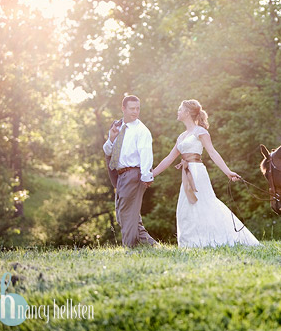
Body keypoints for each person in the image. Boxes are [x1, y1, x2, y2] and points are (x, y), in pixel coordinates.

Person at [153, 99, 260, 247]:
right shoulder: (182, 136)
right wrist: (151, 174)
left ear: (187, 112)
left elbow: (212, 152)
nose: (177, 111)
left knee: (204, 203)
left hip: (197, 172)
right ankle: (191, 243)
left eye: (180, 109)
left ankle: (216, 238)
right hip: (186, 173)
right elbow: (169, 158)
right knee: (186, 207)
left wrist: (228, 172)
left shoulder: (201, 132)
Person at [103, 95, 158, 247]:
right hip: (121, 175)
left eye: (137, 108)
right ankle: (152, 246)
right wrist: (111, 138)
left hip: (134, 174)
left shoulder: (141, 130)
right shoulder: (118, 127)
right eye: (132, 108)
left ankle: (130, 248)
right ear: (123, 109)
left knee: (127, 214)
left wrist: (146, 176)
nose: (135, 112)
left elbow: (146, 153)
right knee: (125, 215)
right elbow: (107, 150)